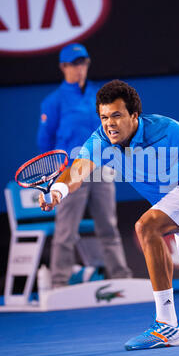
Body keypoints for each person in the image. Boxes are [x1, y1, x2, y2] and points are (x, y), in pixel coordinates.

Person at [39, 79, 179, 350]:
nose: (110, 124)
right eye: (105, 117)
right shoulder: (100, 141)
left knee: (147, 226)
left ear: (134, 115)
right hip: (178, 203)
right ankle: (172, 324)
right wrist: (58, 191)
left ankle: (167, 323)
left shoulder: (168, 130)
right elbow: (77, 172)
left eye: (117, 116)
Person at [37, 47, 132, 287]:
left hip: (101, 168)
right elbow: (45, 142)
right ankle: (59, 285)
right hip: (70, 171)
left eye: (82, 63)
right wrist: (56, 175)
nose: (79, 68)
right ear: (63, 67)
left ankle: (122, 281)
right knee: (66, 231)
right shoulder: (53, 101)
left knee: (108, 227)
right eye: (73, 64)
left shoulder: (100, 97)